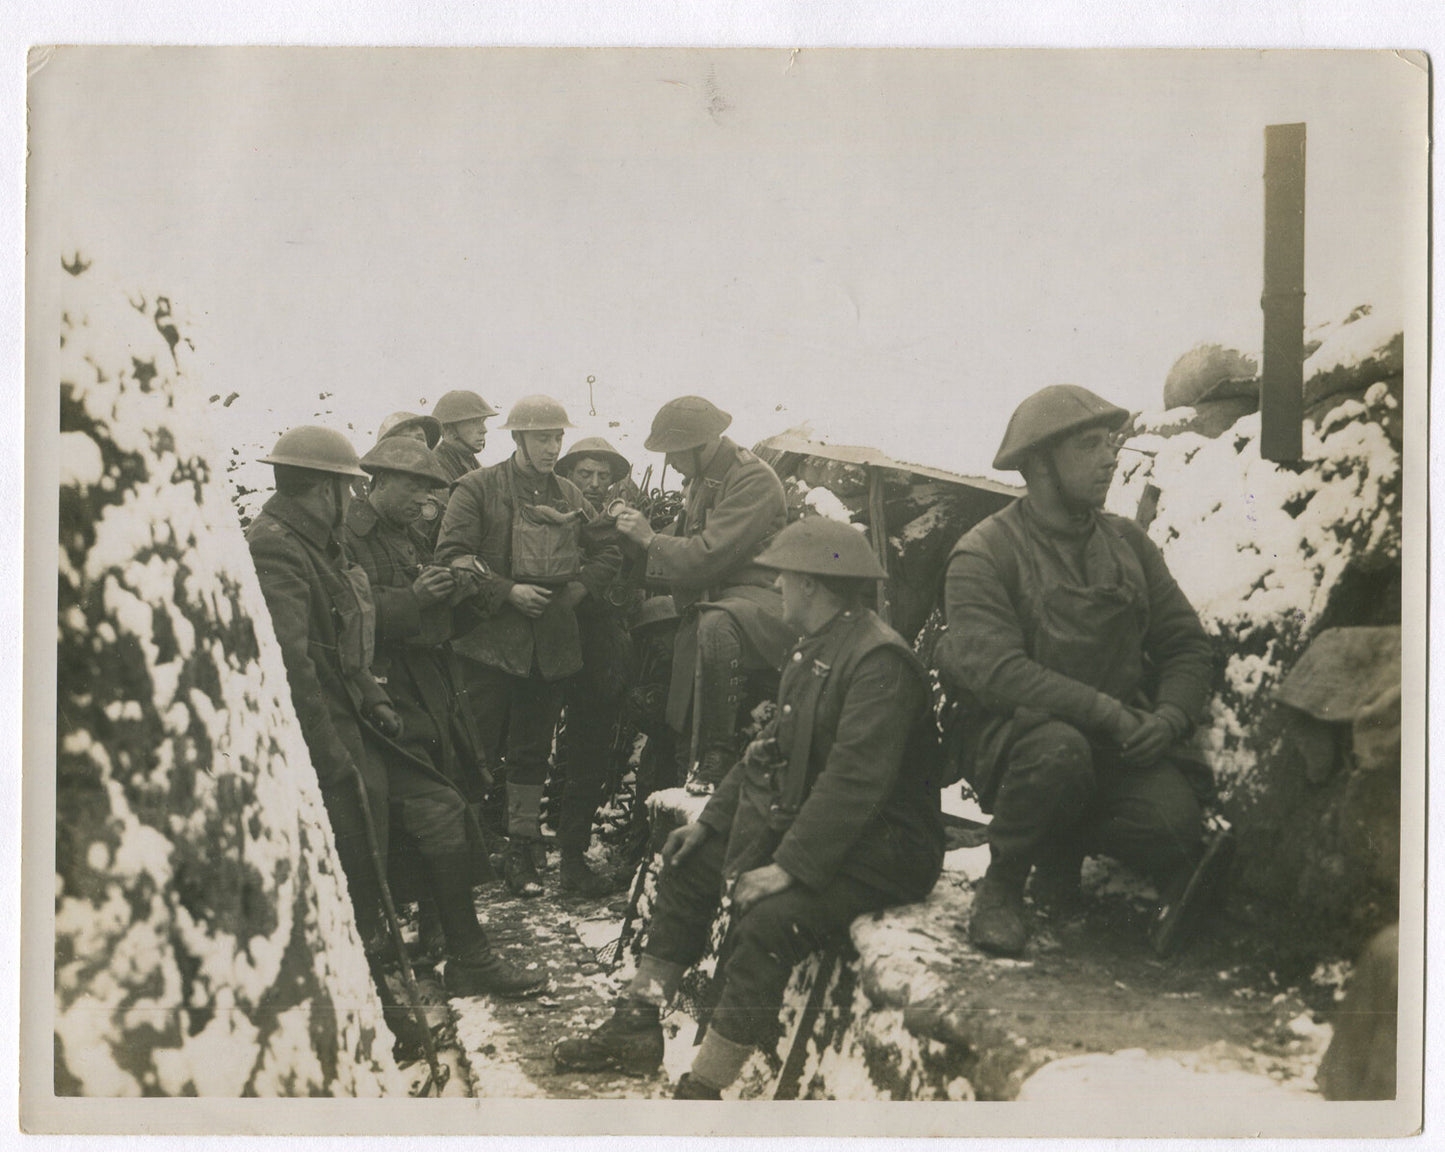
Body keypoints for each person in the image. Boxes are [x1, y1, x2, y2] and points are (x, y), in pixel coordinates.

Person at [553, 517, 944, 1099]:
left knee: (769, 918)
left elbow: (854, 782)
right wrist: (711, 823)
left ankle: (705, 1089)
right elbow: (766, 754)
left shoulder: (877, 662)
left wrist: (787, 867)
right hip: (831, 828)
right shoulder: (815, 649)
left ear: (811, 585)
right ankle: (637, 1023)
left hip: (888, 846)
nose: (777, 588)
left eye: (782, 578)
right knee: (690, 861)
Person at [934, 385, 1216, 958]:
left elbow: (1187, 644)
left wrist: (1170, 716)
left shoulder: (1128, 543)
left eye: (1110, 443)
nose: (1111, 457)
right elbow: (998, 673)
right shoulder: (984, 553)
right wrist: (1110, 714)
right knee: (1059, 753)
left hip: (1116, 741)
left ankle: (1058, 850)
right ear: (1039, 464)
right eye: (1090, 445)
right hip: (1015, 739)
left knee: (1172, 826)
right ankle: (1004, 886)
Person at [341, 436, 546, 995]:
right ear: (377, 482)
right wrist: (416, 597)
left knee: (454, 794)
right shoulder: (347, 539)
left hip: (424, 689)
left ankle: (444, 932)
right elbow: (345, 621)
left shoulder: (408, 537)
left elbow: (432, 627)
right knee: (435, 809)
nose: (423, 501)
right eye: (413, 488)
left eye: (431, 491)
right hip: (375, 697)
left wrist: (467, 594)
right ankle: (455, 948)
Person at [434, 395, 623, 896]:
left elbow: (607, 550)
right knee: (472, 752)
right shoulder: (477, 488)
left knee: (531, 753)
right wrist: (506, 590)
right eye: (542, 437)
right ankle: (455, 862)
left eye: (557, 437)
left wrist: (577, 591)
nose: (551, 446)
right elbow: (452, 555)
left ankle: (522, 854)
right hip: (489, 645)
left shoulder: (568, 494)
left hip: (550, 649)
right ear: (517, 439)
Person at [613, 396, 794, 789]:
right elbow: (680, 552)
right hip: (714, 595)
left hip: (756, 598)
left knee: (715, 624)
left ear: (704, 444)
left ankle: (718, 748)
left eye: (674, 453)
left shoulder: (752, 479)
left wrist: (648, 538)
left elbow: (707, 557)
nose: (669, 463)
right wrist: (631, 542)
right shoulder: (701, 479)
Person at [551, 436, 638, 894]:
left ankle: (571, 855)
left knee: (588, 748)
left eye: (603, 475)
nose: (596, 482)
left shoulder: (623, 521)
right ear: (569, 473)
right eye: (585, 473)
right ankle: (518, 850)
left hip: (600, 643)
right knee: (528, 746)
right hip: (550, 635)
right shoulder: (554, 509)